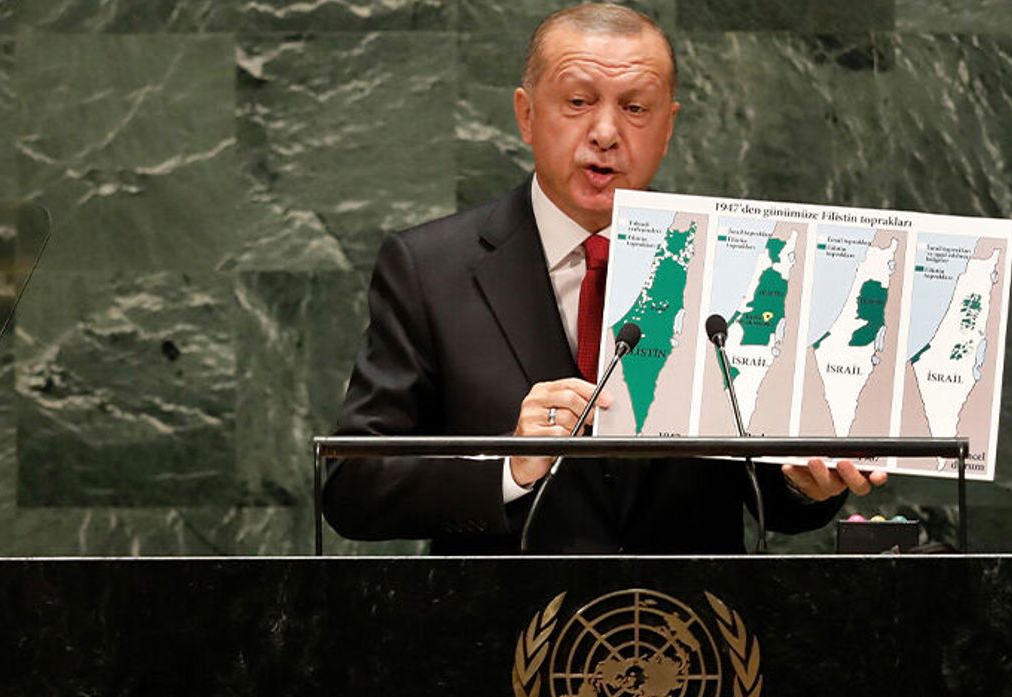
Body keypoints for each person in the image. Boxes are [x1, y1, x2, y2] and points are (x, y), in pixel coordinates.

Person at [323, 3, 887, 554]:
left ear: (668, 127)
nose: (606, 132)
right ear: (526, 114)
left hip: (691, 612)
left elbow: (772, 495)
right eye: (578, 101)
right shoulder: (429, 267)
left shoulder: (735, 262)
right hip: (504, 611)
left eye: (636, 108)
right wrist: (508, 467)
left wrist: (803, 484)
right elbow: (354, 486)